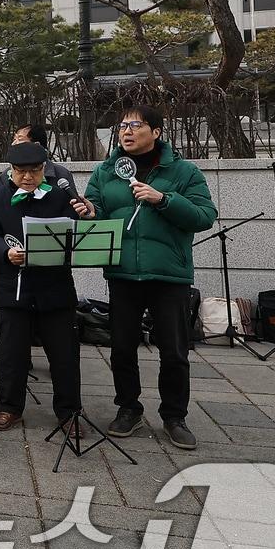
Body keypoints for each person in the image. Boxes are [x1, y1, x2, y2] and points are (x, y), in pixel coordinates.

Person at [85, 104, 216, 451]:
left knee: (174, 350)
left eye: (135, 125)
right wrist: (86, 211)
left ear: (156, 132)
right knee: (122, 348)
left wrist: (163, 199)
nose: (126, 131)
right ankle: (128, 408)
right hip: (123, 273)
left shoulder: (183, 171)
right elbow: (94, 211)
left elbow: (205, 216)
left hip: (168, 275)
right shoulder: (105, 171)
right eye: (122, 126)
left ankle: (175, 416)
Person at [0, 142, 96, 433]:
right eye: (21, 172)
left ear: (44, 169)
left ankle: (69, 412)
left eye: (34, 171)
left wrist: (88, 215)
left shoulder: (60, 195)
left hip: (54, 288)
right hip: (13, 287)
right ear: (10, 171)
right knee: (11, 354)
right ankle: (10, 408)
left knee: (65, 355)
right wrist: (5, 252)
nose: (28, 178)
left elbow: (81, 234)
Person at [0, 125, 75, 190]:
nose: (14, 144)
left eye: (20, 139)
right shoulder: (6, 175)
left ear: (37, 145)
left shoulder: (61, 174)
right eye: (14, 139)